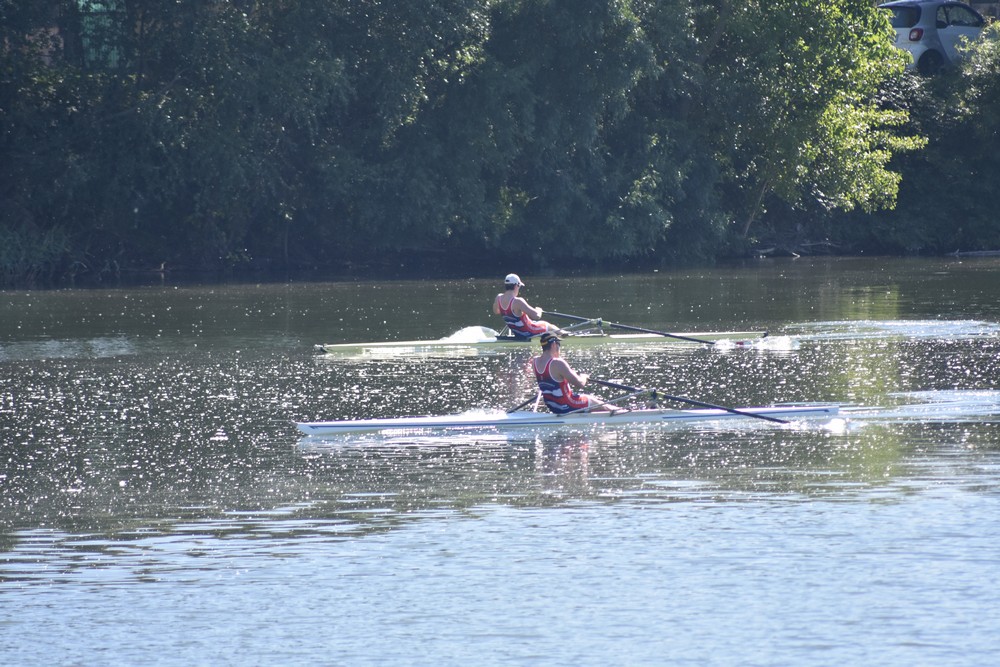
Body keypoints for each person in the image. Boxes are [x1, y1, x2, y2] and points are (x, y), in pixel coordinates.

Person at [531, 332, 612, 414]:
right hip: (568, 405)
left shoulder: (535, 362)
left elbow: (550, 380)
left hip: (553, 407)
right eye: (559, 344)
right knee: (591, 400)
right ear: (554, 345)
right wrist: (584, 377)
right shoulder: (558, 363)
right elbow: (580, 384)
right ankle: (623, 412)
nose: (559, 348)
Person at [492, 273, 561, 340]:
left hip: (518, 333)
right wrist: (539, 310)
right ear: (516, 286)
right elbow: (536, 316)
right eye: (519, 287)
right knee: (548, 326)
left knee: (535, 323)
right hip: (529, 332)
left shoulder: (498, 298)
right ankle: (565, 334)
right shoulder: (518, 301)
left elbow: (496, 311)